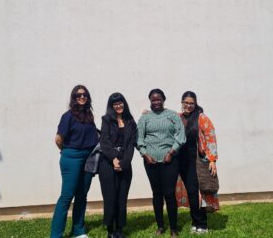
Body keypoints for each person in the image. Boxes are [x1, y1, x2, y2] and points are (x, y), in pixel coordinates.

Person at [51, 85, 99, 238]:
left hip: (89, 158)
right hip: (72, 157)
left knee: (82, 195)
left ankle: (78, 230)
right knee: (66, 196)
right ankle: (56, 235)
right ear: (74, 98)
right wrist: (66, 151)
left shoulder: (89, 115)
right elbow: (58, 139)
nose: (82, 97)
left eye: (84, 95)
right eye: (78, 95)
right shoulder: (68, 116)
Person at [137, 88, 186, 238]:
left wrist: (171, 153)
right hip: (150, 162)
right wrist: (145, 155)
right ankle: (160, 226)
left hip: (169, 161)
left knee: (169, 194)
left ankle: (173, 228)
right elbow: (139, 139)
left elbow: (181, 135)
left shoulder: (172, 116)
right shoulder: (145, 118)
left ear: (163, 100)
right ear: (150, 101)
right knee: (156, 194)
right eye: (153, 100)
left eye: (158, 99)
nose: (156, 102)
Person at [175, 91, 220, 235]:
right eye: (186, 103)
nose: (188, 105)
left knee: (197, 193)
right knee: (190, 193)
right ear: (182, 103)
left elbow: (210, 137)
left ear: (195, 103)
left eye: (191, 103)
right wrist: (147, 113)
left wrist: (212, 159)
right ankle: (195, 222)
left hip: (196, 161)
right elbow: (163, 118)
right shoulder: (178, 117)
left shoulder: (201, 118)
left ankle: (202, 223)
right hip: (181, 162)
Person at [99, 92, 137, 238]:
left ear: (124, 103)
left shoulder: (130, 121)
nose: (118, 105)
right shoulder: (106, 120)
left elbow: (131, 144)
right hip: (107, 163)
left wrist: (124, 162)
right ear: (111, 106)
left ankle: (119, 230)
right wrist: (114, 159)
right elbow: (104, 142)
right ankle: (110, 230)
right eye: (115, 104)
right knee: (110, 198)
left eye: (120, 102)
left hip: (125, 161)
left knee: (122, 198)